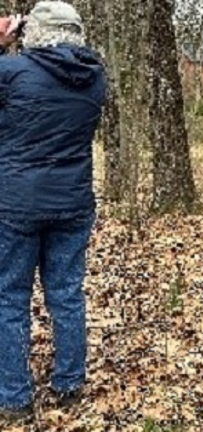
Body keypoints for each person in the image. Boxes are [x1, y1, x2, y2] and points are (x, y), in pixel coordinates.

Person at [0, 1, 106, 421]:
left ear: (33, 33)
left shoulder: (12, 72)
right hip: (73, 202)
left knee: (10, 298)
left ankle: (14, 398)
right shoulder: (94, 77)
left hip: (16, 204)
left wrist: (2, 41)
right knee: (65, 294)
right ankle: (69, 384)